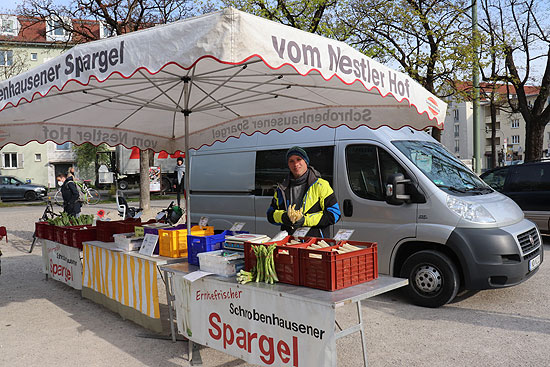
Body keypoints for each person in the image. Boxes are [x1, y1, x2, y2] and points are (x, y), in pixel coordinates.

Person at [267, 146, 341, 237]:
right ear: (288, 165)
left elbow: (334, 214)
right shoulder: (282, 188)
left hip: (315, 244)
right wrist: (284, 217)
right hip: (289, 242)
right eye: (291, 161)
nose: (295, 164)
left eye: (299, 159)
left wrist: (305, 220)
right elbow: (270, 214)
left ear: (306, 162)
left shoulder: (321, 185)